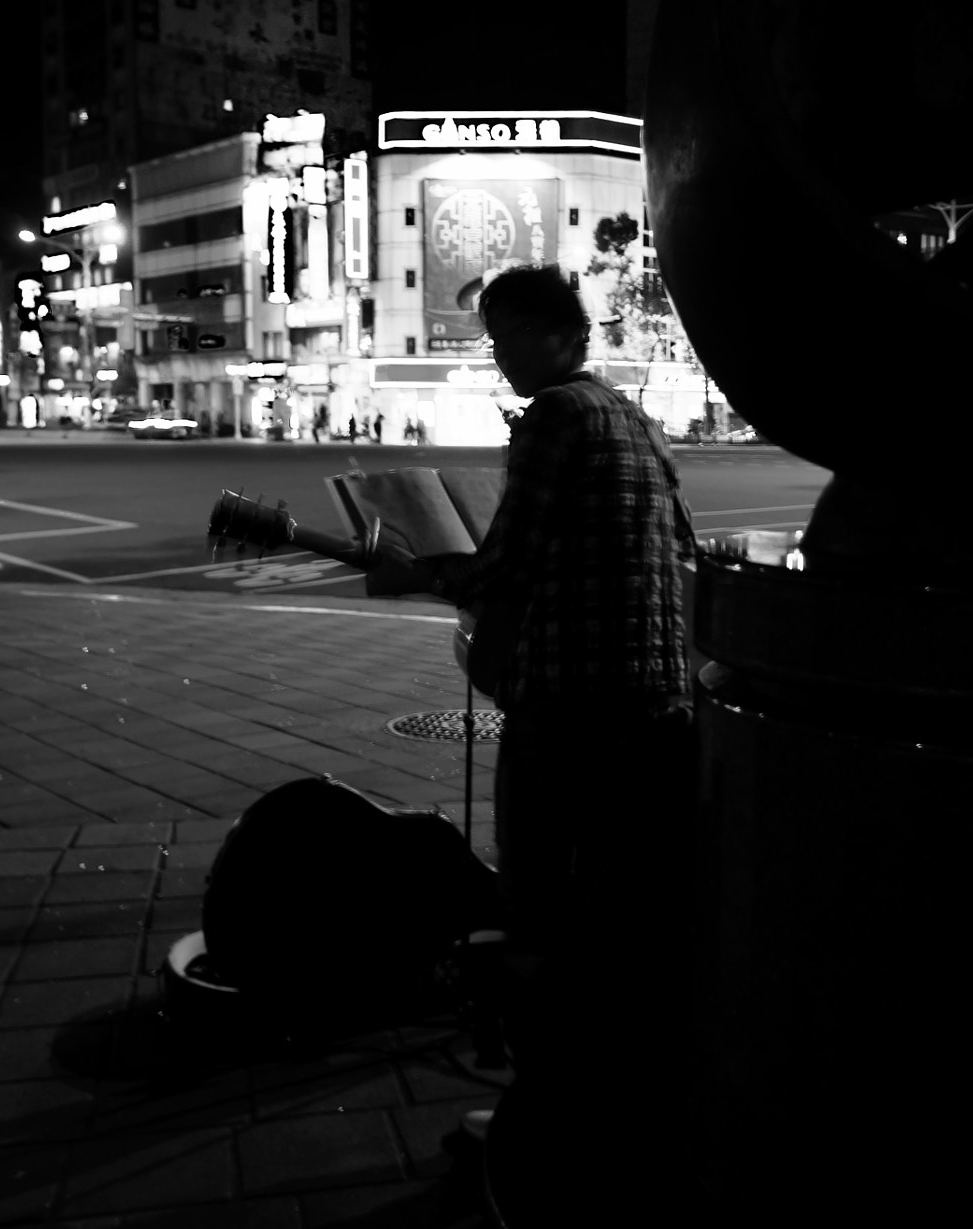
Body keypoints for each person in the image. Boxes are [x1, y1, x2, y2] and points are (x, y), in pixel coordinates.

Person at [367, 263, 695, 1153]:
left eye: (510, 333)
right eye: (493, 336)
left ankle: (539, 1120)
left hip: (569, 705)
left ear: (567, 336)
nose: (498, 353)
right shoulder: (638, 422)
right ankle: (614, 1107)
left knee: (539, 907)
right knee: (621, 914)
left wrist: (421, 572)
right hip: (657, 705)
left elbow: (505, 563)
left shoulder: (554, 417)